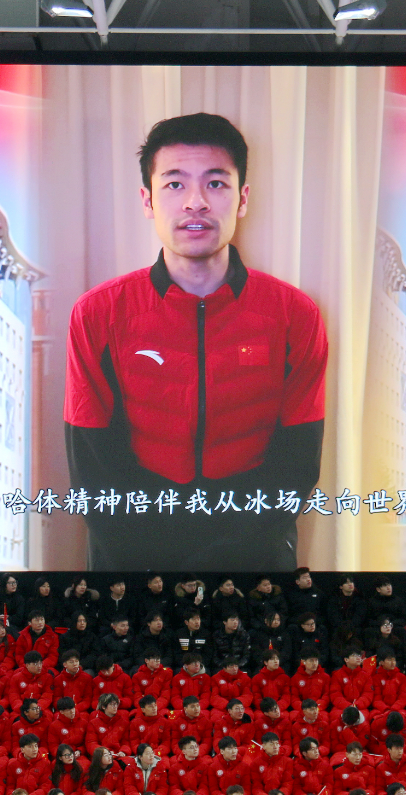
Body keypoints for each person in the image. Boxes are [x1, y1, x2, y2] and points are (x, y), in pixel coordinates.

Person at [64, 112, 329, 570]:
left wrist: (232, 558)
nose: (196, 203)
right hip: (132, 552)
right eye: (174, 184)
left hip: (255, 551)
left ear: (242, 199)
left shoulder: (294, 315)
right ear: (147, 200)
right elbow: (91, 461)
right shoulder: (98, 313)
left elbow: (298, 458)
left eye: (216, 183)